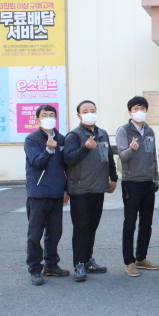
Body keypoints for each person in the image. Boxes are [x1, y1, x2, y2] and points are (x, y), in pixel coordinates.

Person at [64, 100, 118, 282]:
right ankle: (79, 263)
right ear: (78, 115)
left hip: (98, 187)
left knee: (92, 226)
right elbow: (68, 159)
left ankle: (88, 260)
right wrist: (85, 148)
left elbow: (109, 157)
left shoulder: (102, 134)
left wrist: (113, 177)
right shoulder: (74, 136)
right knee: (81, 227)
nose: (89, 113)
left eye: (92, 110)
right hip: (80, 189)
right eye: (85, 111)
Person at [24, 105, 70, 285]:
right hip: (38, 193)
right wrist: (49, 150)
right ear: (37, 119)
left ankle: (51, 265)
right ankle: (35, 269)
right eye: (44, 115)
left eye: (52, 115)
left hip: (56, 193)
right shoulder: (32, 139)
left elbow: (66, 166)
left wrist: (65, 189)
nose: (49, 118)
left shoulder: (62, 139)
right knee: (35, 234)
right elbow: (37, 163)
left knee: (54, 232)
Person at [116, 96, 159, 277]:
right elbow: (122, 156)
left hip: (148, 182)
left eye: (142, 108)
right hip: (131, 182)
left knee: (146, 223)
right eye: (135, 108)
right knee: (130, 223)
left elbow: (153, 155)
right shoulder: (123, 131)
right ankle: (129, 261)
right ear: (130, 112)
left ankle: (141, 257)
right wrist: (131, 149)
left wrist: (156, 177)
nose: (139, 111)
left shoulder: (149, 131)